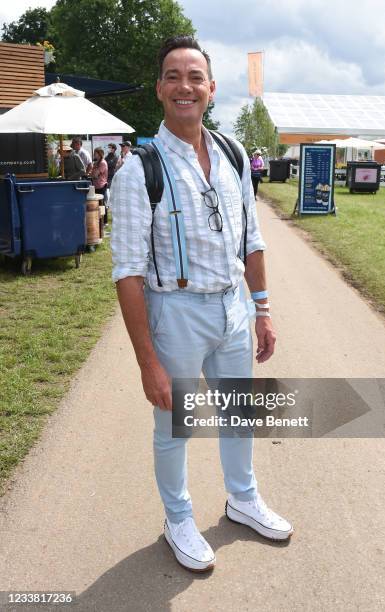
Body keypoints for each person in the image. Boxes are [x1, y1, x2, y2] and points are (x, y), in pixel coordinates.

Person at [111, 35, 293, 573]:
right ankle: (178, 519)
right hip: (177, 313)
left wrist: (261, 308)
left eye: (195, 77)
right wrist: (148, 362)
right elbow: (128, 272)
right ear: (160, 89)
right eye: (173, 76)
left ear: (211, 89)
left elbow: (251, 238)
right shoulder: (137, 170)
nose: (184, 86)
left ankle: (242, 498)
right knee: (174, 425)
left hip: (233, 309)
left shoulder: (235, 155)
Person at [90, 147, 109, 223]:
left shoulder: (102, 163)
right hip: (96, 185)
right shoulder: (96, 163)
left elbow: (95, 175)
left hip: (101, 185)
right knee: (98, 203)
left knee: (102, 203)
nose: (94, 155)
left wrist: (93, 172)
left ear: (100, 154)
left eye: (96, 153)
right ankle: (100, 219)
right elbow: (92, 174)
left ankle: (104, 221)